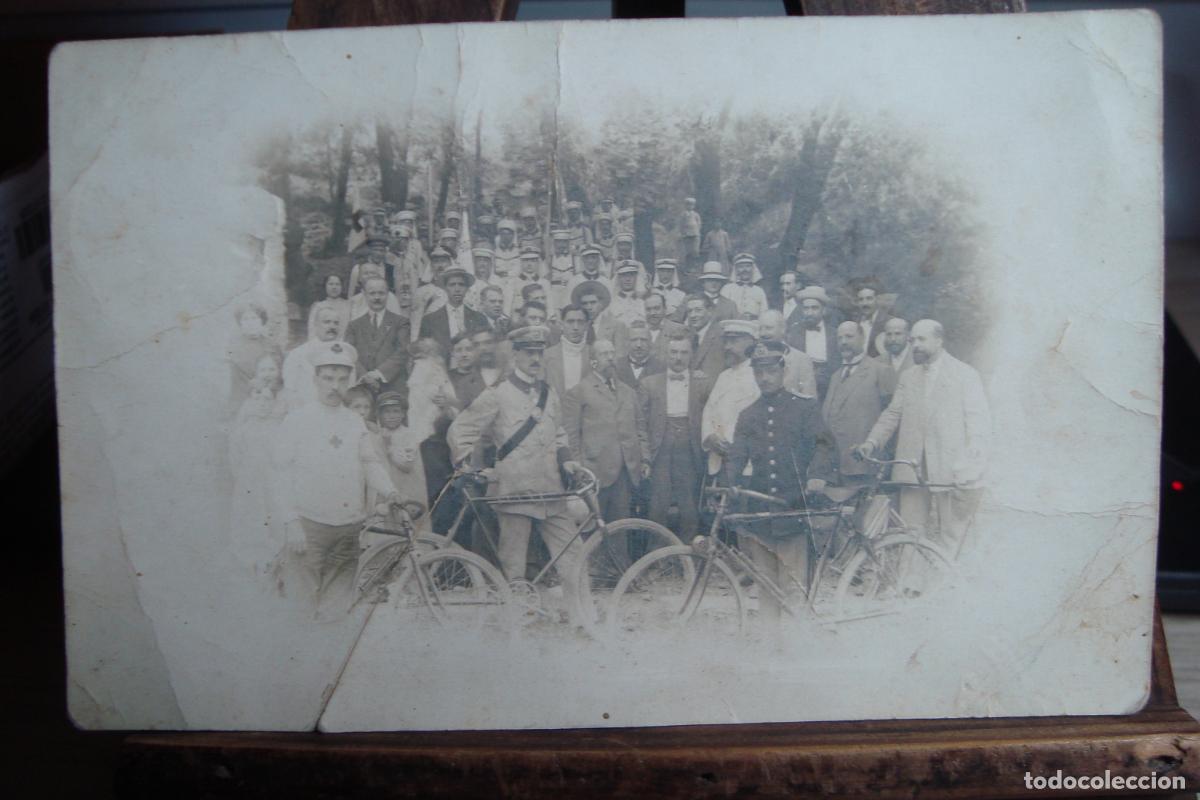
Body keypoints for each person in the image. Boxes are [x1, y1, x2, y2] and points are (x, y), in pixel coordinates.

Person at [447, 326, 588, 619]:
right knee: (514, 563)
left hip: (551, 488)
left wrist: (568, 461)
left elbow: (559, 432)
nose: (535, 359)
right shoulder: (497, 395)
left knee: (573, 554)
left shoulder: (549, 394)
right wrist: (469, 466)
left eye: (539, 353)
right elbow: (461, 429)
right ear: (516, 356)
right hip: (514, 490)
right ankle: (518, 619)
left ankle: (582, 616)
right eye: (529, 353)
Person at [273, 341, 411, 613]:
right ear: (315, 379)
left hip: (348, 528)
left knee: (336, 609)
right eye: (327, 378)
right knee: (300, 608)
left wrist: (390, 491)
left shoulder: (354, 421)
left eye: (341, 378)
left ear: (349, 380)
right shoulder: (297, 420)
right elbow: (279, 473)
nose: (334, 386)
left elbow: (370, 463)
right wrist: (290, 522)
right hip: (309, 528)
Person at [854, 320, 990, 556]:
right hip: (911, 464)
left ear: (939, 340)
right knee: (910, 530)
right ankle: (910, 585)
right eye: (913, 340)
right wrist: (872, 442)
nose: (915, 345)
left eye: (921, 339)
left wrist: (971, 463)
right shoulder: (909, 377)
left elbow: (979, 423)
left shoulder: (965, 375)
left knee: (952, 531)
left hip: (951, 467)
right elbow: (892, 414)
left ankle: (951, 583)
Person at [725, 340, 836, 623]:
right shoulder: (748, 415)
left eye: (770, 371)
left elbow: (824, 445)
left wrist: (816, 476)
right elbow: (737, 455)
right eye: (759, 372)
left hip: (793, 508)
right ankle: (770, 646)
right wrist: (731, 480)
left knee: (793, 586)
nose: (764, 378)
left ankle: (798, 647)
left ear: (782, 370)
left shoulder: (804, 408)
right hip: (761, 513)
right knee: (765, 585)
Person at [562, 339, 649, 524]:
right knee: (593, 527)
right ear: (593, 361)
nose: (610, 358)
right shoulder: (579, 392)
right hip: (594, 473)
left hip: (625, 473)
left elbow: (641, 428)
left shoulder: (628, 392)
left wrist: (645, 459)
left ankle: (619, 555)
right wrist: (578, 469)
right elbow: (571, 435)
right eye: (604, 354)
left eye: (612, 353)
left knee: (621, 526)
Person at [641, 332, 712, 542]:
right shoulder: (649, 383)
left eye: (683, 352)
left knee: (689, 504)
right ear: (665, 353)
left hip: (689, 447)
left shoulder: (703, 383)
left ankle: (689, 556)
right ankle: (657, 556)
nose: (678, 358)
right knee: (658, 504)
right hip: (660, 445)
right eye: (673, 352)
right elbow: (640, 423)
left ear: (691, 355)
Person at [228, 355, 287, 573]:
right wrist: (240, 472)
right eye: (263, 370)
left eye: (272, 369)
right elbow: (236, 443)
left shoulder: (284, 401)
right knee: (251, 509)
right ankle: (250, 554)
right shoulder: (248, 407)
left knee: (274, 508)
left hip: (274, 472)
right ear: (256, 374)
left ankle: (275, 552)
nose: (268, 374)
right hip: (250, 473)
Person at [822, 321, 896, 486]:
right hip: (835, 467)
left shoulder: (880, 371)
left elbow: (892, 419)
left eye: (849, 336)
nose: (843, 342)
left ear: (862, 338)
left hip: (864, 465)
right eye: (839, 338)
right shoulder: (835, 376)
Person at [700, 319, 761, 476]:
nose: (727, 347)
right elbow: (709, 411)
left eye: (733, 342)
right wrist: (710, 436)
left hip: (748, 463)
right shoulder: (723, 376)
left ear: (751, 342)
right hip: (719, 460)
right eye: (726, 342)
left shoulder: (760, 375)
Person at [344, 276, 410, 394]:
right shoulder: (354, 325)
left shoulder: (401, 322)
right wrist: (365, 377)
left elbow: (403, 351)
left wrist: (378, 374)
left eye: (381, 293)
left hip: (393, 388)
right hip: (362, 389)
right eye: (372, 293)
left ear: (388, 294)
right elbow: (348, 353)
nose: (377, 297)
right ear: (364, 294)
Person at [283, 305, 346, 410]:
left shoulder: (345, 355)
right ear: (316, 325)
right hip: (306, 412)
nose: (332, 326)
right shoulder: (298, 354)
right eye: (327, 322)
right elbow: (290, 391)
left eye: (336, 323)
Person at [227, 302, 282, 418]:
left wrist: (271, 388)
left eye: (254, 318)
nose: (250, 323)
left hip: (271, 397)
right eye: (245, 319)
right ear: (240, 323)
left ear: (262, 320)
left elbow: (280, 374)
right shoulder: (234, 348)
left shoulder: (272, 345)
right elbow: (237, 382)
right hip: (244, 398)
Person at [418, 266, 490, 355]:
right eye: (452, 285)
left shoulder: (479, 319)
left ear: (467, 288)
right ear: (445, 288)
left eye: (461, 284)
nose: (457, 289)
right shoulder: (429, 321)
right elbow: (423, 353)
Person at [787, 285, 839, 400]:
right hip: (801, 387)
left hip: (828, 388)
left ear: (823, 309)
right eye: (806, 308)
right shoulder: (793, 333)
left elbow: (837, 365)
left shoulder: (834, 333)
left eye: (814, 308)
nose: (809, 313)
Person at [758, 309, 817, 399]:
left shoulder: (801, 360)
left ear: (783, 329)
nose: (763, 333)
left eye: (768, 328)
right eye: (760, 329)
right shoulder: (754, 358)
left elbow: (810, 400)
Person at [543, 304, 592, 398]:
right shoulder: (547, 356)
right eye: (570, 322)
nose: (575, 327)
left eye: (580, 322)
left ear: (587, 325)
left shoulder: (594, 355)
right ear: (561, 325)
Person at [683, 293, 725, 380]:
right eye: (689, 311)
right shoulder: (687, 336)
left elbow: (718, 372)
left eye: (698, 310)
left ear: (710, 311)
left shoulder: (721, 336)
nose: (692, 315)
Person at [615, 320, 663, 390]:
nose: (639, 345)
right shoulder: (616, 366)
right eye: (634, 340)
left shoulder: (661, 368)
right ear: (626, 342)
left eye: (643, 340)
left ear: (650, 343)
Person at [643, 291, 689, 363]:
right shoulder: (639, 331)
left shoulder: (680, 329)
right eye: (648, 309)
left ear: (665, 309)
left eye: (656, 308)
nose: (652, 313)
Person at [720, 253, 768, 320]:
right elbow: (722, 311)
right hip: (732, 325)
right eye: (741, 267)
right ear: (736, 269)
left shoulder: (759, 290)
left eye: (748, 266)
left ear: (753, 269)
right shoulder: (727, 289)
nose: (744, 270)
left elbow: (764, 313)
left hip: (754, 326)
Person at [307, 273, 352, 341]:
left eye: (337, 284)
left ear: (342, 287)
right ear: (325, 286)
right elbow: (312, 330)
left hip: (343, 344)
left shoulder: (348, 306)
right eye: (331, 284)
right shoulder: (318, 306)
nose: (334, 287)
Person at [505, 249, 549, 317]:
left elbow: (549, 306)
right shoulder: (512, 283)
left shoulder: (545, 283)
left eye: (533, 261)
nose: (529, 264)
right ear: (521, 262)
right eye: (526, 261)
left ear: (538, 263)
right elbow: (507, 306)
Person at [853, 279, 887, 358]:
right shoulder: (854, 323)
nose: (865, 303)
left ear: (877, 299)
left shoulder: (888, 322)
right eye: (861, 300)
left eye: (869, 298)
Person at [607, 260, 646, 328]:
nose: (628, 279)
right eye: (624, 275)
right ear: (618, 278)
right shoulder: (611, 304)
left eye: (631, 275)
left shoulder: (643, 303)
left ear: (636, 277)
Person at [679, 196, 702, 277]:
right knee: (687, 252)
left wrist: (696, 231)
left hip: (695, 235)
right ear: (686, 205)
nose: (690, 206)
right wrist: (683, 233)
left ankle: (694, 268)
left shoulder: (696, 214)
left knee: (695, 251)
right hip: (687, 235)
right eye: (688, 205)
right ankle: (687, 268)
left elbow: (699, 224)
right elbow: (681, 225)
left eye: (692, 205)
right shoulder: (683, 214)